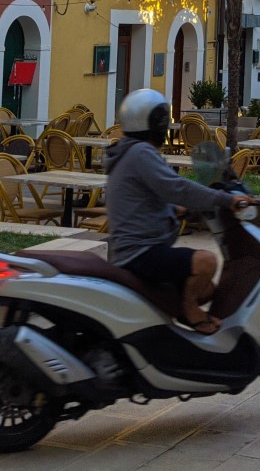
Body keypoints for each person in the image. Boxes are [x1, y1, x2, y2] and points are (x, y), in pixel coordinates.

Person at [105, 88, 252, 334]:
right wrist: (226, 199)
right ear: (156, 124)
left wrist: (175, 210)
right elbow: (177, 187)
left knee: (207, 290)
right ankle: (190, 312)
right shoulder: (140, 152)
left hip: (136, 248)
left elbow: (145, 197)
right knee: (206, 262)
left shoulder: (128, 151)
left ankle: (175, 324)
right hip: (140, 252)